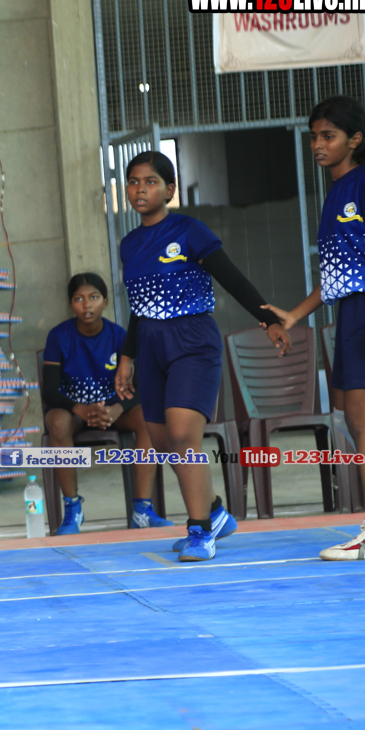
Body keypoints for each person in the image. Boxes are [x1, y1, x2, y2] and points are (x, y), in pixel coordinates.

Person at [113, 151, 291, 562]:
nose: (140, 189)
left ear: (169, 190)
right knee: (164, 443)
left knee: (182, 436)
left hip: (192, 341)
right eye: (133, 181)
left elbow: (231, 278)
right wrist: (127, 357)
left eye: (151, 182)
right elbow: (141, 306)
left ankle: (199, 530)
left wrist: (269, 320)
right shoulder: (129, 245)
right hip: (151, 346)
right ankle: (215, 513)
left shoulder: (189, 230)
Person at [261, 96, 365, 561]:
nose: (318, 144)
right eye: (314, 136)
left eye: (328, 136)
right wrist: (296, 315)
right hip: (354, 314)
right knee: (358, 421)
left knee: (361, 420)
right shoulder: (336, 191)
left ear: (354, 140)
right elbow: (340, 273)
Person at [42, 273, 163, 534]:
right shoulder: (58, 337)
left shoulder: (120, 337)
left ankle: (142, 510)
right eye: (79, 299)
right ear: (70, 304)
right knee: (57, 422)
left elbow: (140, 387)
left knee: (149, 418)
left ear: (105, 302)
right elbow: (49, 392)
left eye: (94, 297)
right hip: (74, 413)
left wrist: (116, 408)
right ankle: (73, 509)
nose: (87, 305)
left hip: (112, 411)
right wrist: (79, 409)